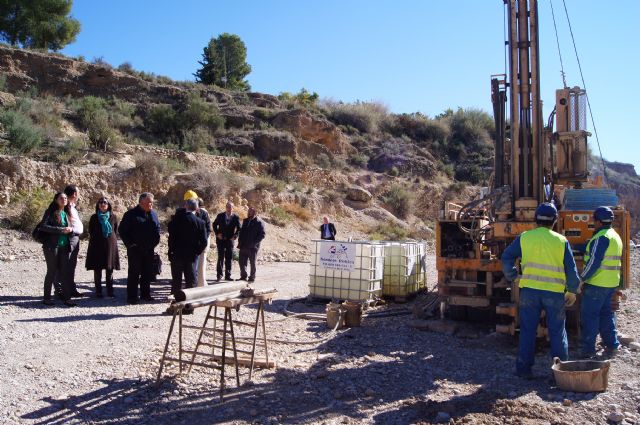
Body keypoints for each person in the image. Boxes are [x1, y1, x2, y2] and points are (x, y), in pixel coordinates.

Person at [502, 202, 580, 378]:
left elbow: (507, 255)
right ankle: (561, 374)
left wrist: (513, 275)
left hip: (530, 292)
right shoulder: (561, 241)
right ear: (554, 221)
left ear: (536, 219)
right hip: (554, 294)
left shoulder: (525, 237)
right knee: (558, 332)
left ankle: (523, 370)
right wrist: (572, 290)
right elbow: (571, 270)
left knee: (528, 330)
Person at [579, 206, 623, 358]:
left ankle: (588, 349)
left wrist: (581, 279)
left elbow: (594, 262)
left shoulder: (601, 237)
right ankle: (612, 344)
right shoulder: (614, 236)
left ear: (597, 221)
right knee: (606, 314)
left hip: (597, 283)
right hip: (610, 283)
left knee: (590, 316)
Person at [118, 193, 161, 304]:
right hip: (135, 250)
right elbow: (122, 230)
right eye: (149, 202)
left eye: (152, 202)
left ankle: (145, 294)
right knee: (134, 273)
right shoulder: (131, 214)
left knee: (147, 272)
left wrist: (155, 243)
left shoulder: (154, 214)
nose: (151, 204)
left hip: (149, 249)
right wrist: (130, 244)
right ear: (141, 202)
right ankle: (132, 297)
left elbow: (157, 229)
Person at [38, 192, 76, 307]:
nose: (64, 199)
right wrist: (61, 230)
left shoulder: (65, 213)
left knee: (64, 272)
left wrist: (70, 230)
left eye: (65, 198)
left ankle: (67, 298)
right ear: (56, 200)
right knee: (52, 272)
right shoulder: (50, 212)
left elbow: (69, 229)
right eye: (61, 198)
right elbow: (43, 227)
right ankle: (47, 298)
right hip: (51, 247)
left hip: (64, 246)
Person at [168, 198, 207, 297]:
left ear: (186, 206)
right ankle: (189, 307)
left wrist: (171, 251)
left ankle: (174, 304)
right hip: (191, 256)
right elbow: (204, 242)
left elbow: (171, 237)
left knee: (176, 280)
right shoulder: (200, 223)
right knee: (191, 281)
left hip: (177, 254)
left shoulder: (176, 220)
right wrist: (197, 252)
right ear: (197, 208)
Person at [85, 197, 120, 298]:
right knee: (97, 268)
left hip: (110, 245)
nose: (102, 204)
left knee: (109, 269)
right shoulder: (94, 217)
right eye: (100, 202)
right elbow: (91, 231)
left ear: (108, 205)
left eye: (105, 202)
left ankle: (110, 291)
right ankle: (98, 291)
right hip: (97, 244)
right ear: (98, 205)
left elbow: (115, 230)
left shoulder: (113, 217)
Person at [213, 201, 241, 281]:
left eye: (230, 207)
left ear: (233, 208)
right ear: (226, 207)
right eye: (227, 207)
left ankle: (228, 276)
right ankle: (219, 275)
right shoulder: (220, 215)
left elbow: (239, 228)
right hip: (221, 240)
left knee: (229, 258)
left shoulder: (236, 217)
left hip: (230, 241)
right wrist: (217, 234)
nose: (229, 209)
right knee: (220, 257)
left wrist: (235, 236)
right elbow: (214, 224)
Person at [64, 185, 83, 298]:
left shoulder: (72, 207)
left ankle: (71, 289)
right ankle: (62, 290)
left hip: (75, 238)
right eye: (78, 192)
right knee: (66, 264)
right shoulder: (66, 207)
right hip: (70, 238)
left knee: (72, 265)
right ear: (74, 194)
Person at [237, 206, 266, 283]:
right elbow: (242, 232)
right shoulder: (245, 221)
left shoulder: (259, 222)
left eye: (250, 211)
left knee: (252, 262)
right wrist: (240, 241)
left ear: (254, 212)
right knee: (241, 262)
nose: (248, 213)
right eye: (248, 211)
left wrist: (254, 243)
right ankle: (243, 276)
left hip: (253, 247)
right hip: (243, 245)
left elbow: (262, 235)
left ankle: (252, 277)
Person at [195, 197, 212, 286]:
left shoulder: (202, 213)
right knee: (201, 264)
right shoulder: (205, 212)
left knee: (199, 264)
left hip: (202, 242)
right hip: (204, 242)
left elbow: (207, 229)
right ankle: (201, 282)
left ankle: (200, 283)